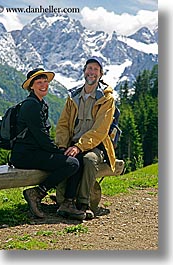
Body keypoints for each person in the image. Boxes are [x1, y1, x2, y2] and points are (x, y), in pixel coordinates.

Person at [10, 68, 85, 220]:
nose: (43, 85)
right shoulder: (32, 106)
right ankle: (37, 193)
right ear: (31, 86)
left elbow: (42, 138)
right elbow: (42, 137)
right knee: (72, 163)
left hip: (31, 152)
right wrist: (59, 151)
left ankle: (67, 203)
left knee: (76, 160)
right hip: (25, 156)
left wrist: (59, 151)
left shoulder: (40, 103)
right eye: (39, 82)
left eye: (45, 82)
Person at [55, 56, 116, 219]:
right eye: (89, 68)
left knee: (87, 159)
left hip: (98, 146)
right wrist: (62, 145)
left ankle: (83, 203)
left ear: (100, 75)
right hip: (73, 144)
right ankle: (66, 202)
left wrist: (79, 147)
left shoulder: (107, 99)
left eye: (96, 70)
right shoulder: (73, 98)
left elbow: (100, 130)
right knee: (68, 157)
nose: (92, 72)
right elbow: (63, 125)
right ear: (84, 72)